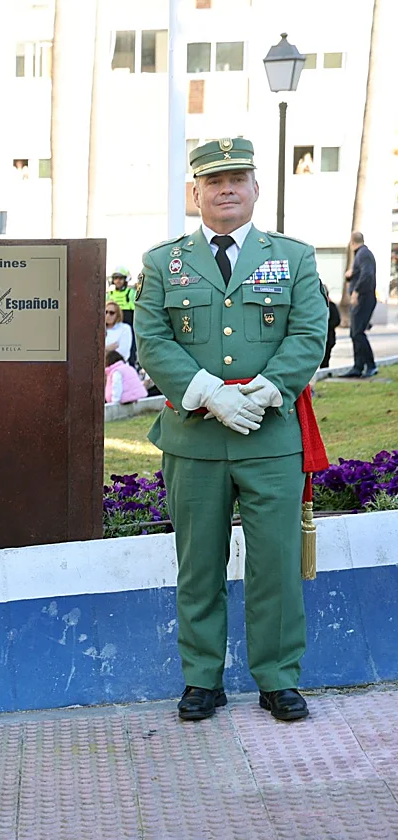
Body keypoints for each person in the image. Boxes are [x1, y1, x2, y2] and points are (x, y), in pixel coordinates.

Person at [135, 137, 327, 723]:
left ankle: (277, 678)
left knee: (274, 565)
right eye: (214, 182)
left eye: (237, 179)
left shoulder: (292, 257)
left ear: (255, 188)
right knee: (199, 566)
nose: (226, 190)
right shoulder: (162, 262)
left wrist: (266, 392)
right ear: (194, 193)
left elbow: (307, 333)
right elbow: (153, 339)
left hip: (270, 438)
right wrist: (211, 396)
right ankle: (201, 680)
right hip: (195, 439)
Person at [341, 231, 377, 378]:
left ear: (352, 242)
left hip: (364, 298)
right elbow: (362, 273)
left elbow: (367, 274)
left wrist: (356, 291)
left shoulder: (364, 254)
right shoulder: (361, 255)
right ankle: (358, 366)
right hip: (362, 298)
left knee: (358, 333)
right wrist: (351, 274)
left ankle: (371, 365)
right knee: (354, 333)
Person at [320, 281, 340, 369]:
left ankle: (324, 370)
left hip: (328, 336)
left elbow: (337, 320)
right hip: (319, 336)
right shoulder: (315, 306)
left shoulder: (331, 305)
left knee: (326, 357)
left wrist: (326, 326)